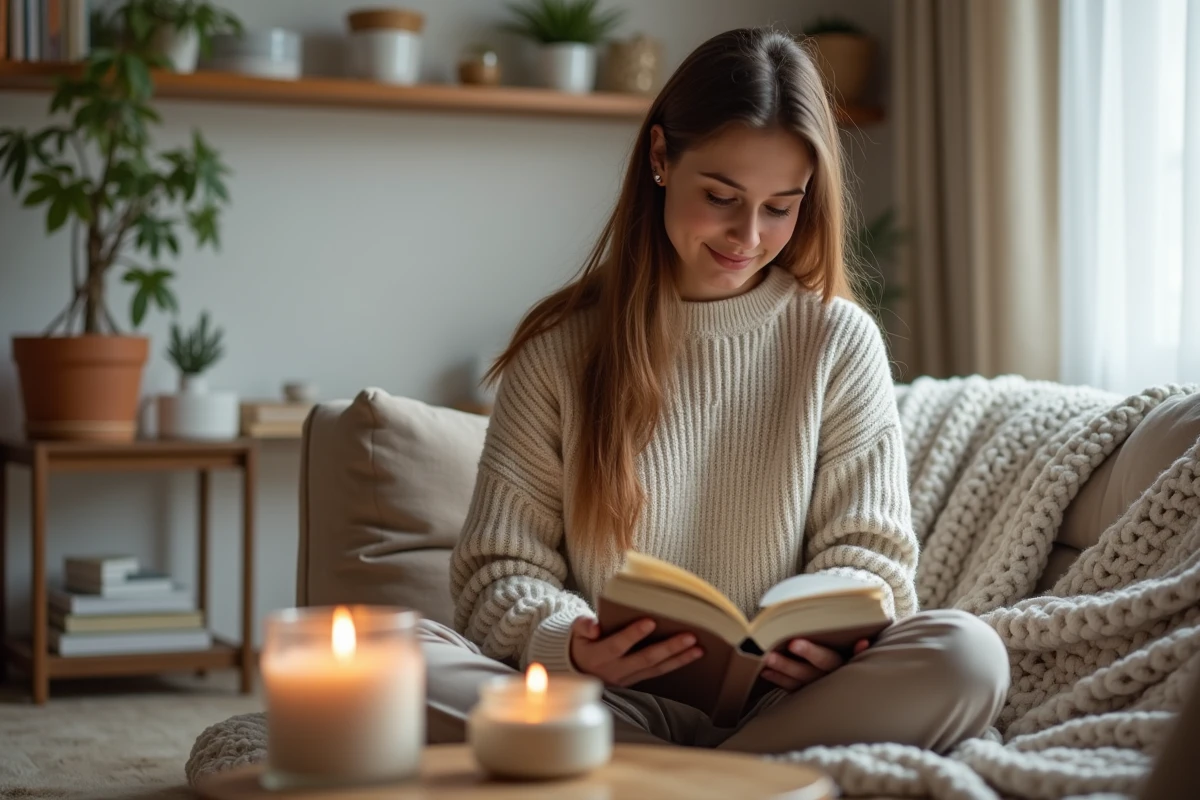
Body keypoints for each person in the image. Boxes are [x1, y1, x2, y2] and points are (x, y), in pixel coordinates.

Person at [420, 26, 1009, 754]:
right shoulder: (560, 352)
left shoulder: (837, 341)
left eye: (780, 206)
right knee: (401, 655)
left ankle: (674, 777)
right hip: (607, 704)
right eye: (723, 196)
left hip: (787, 707)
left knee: (969, 654)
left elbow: (872, 557)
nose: (748, 235)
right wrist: (569, 640)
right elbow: (496, 572)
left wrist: (835, 639)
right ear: (662, 158)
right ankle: (732, 778)